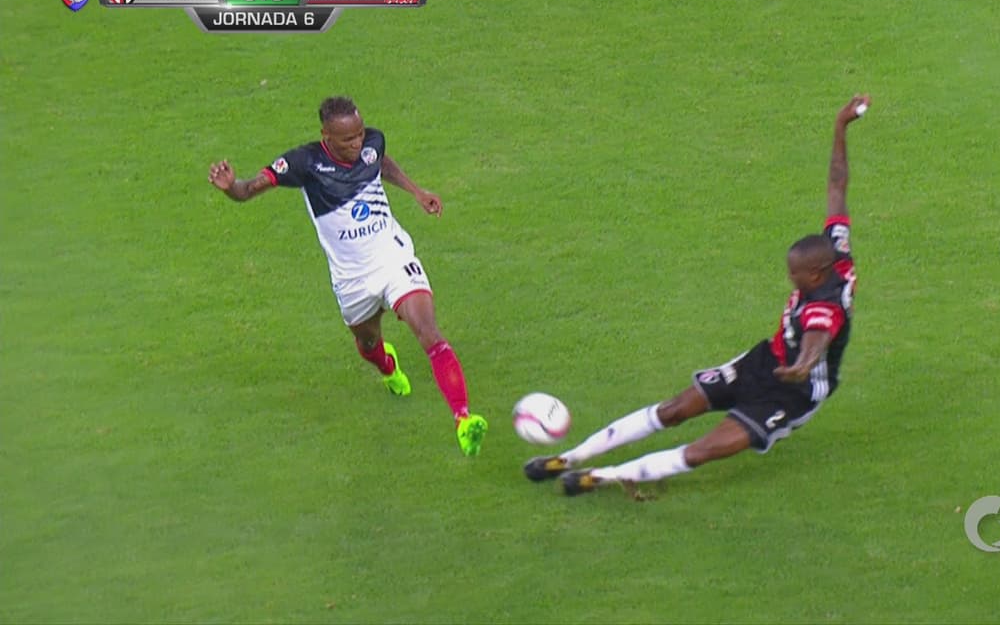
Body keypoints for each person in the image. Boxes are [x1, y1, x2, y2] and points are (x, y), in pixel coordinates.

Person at [524, 93, 871, 495]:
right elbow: (837, 185)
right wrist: (840, 126)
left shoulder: (825, 305)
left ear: (817, 273)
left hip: (795, 391)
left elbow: (817, 338)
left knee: (705, 449)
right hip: (763, 362)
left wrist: (804, 365)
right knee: (675, 409)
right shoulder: (836, 249)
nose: (790, 279)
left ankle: (601, 477)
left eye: (796, 275)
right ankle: (569, 458)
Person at [207, 96, 488, 455]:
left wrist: (416, 191)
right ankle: (388, 367)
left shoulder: (372, 142)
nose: (357, 143)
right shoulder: (303, 162)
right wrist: (231, 186)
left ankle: (463, 419)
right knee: (369, 346)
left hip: (393, 258)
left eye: (359, 134)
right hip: (352, 279)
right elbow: (247, 190)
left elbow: (380, 161)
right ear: (326, 135)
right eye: (347, 139)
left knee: (429, 332)